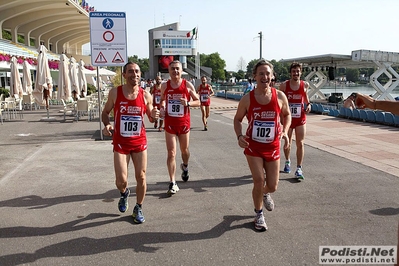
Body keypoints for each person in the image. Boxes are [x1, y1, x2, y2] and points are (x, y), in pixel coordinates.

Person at [233, 59, 291, 231]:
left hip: (272, 146)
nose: (265, 77)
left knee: (272, 185)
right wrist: (239, 136)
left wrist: (285, 132)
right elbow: (237, 119)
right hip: (253, 146)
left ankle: (264, 193)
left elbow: (287, 115)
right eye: (261, 74)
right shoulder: (247, 99)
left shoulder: (280, 96)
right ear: (255, 76)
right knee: (258, 180)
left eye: (268, 73)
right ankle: (258, 214)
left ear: (272, 76)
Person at [101, 62, 159, 224]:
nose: (135, 74)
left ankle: (138, 207)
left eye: (137, 71)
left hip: (139, 142)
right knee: (121, 181)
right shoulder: (115, 93)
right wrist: (107, 125)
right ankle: (124, 192)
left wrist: (155, 114)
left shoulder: (146, 95)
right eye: (131, 72)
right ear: (125, 75)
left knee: (141, 176)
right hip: (120, 142)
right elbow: (105, 113)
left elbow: (152, 117)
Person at [160, 60, 200, 195]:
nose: (175, 71)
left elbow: (199, 101)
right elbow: (162, 100)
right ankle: (172, 182)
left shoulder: (187, 85)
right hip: (170, 123)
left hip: (183, 123)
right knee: (171, 152)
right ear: (169, 71)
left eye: (177, 69)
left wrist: (188, 103)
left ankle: (185, 166)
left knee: (184, 150)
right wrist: (163, 107)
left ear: (181, 70)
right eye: (172, 69)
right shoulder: (164, 86)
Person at [279, 62, 311, 180]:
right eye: (293, 71)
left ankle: (299, 168)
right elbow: (279, 101)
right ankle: (287, 161)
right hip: (288, 120)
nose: (295, 73)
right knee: (288, 143)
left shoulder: (304, 85)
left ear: (301, 72)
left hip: (300, 118)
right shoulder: (284, 85)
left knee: (300, 143)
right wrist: (281, 116)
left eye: (298, 71)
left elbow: (306, 99)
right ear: (290, 73)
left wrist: (309, 105)